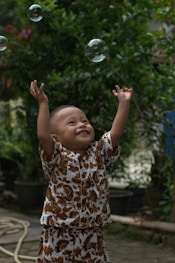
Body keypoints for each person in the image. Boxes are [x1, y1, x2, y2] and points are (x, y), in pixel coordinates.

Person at [29, 79, 133, 263]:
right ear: (56, 137)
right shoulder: (56, 155)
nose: (82, 124)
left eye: (85, 121)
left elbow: (115, 133)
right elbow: (43, 135)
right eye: (72, 123)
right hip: (60, 229)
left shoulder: (99, 152)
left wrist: (124, 104)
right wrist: (43, 103)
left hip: (92, 228)